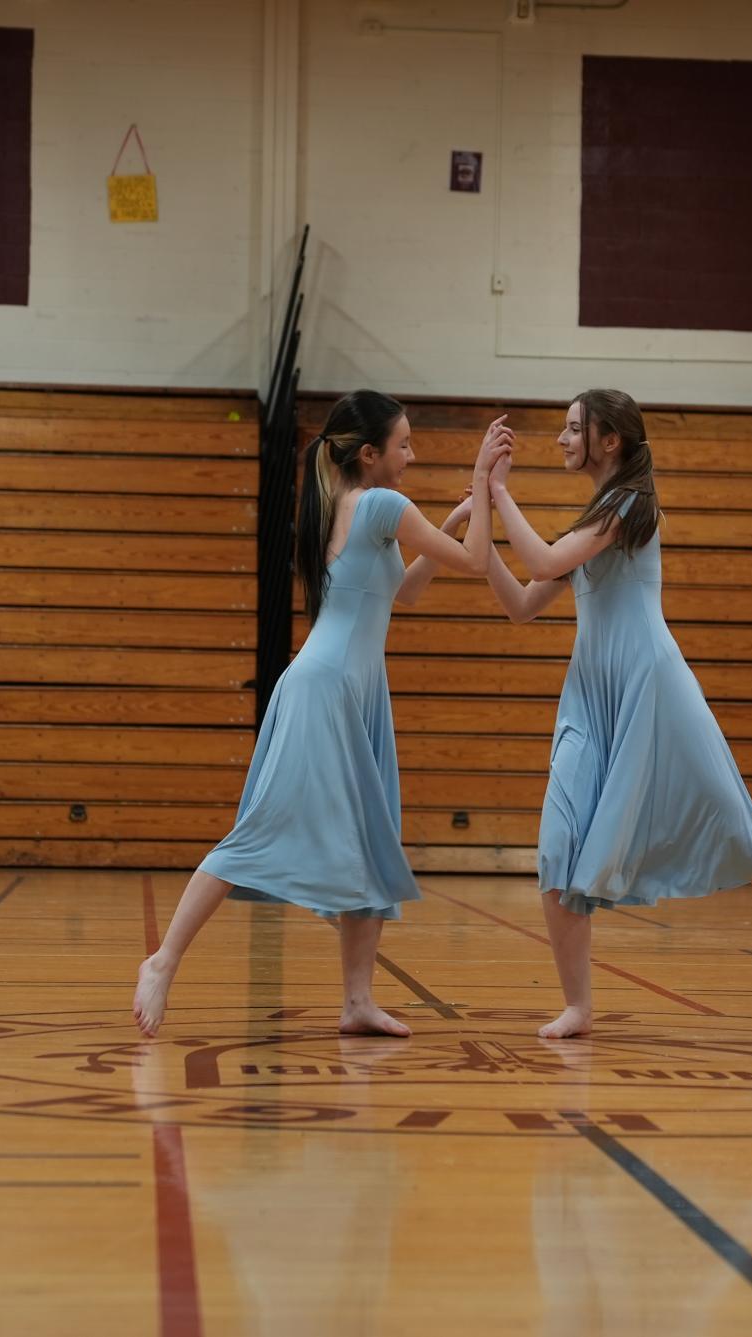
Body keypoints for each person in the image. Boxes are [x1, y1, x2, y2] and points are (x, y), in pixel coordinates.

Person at [479, 389, 752, 1042]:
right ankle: (578, 1006)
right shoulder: (591, 517)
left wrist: (498, 494)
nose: (559, 439)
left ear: (608, 440)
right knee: (557, 849)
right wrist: (482, 521)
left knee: (742, 832)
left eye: (571, 428)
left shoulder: (629, 504)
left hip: (655, 688)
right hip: (590, 697)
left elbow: (545, 560)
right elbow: (523, 602)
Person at [133, 391, 509, 1039]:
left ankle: (357, 1000)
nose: (412, 456)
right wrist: (481, 479)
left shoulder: (343, 505)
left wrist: (447, 521)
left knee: (368, 842)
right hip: (327, 688)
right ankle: (162, 960)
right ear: (369, 453)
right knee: (254, 834)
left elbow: (406, 590)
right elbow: (478, 564)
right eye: (404, 445)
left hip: (351, 690)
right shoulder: (383, 505)